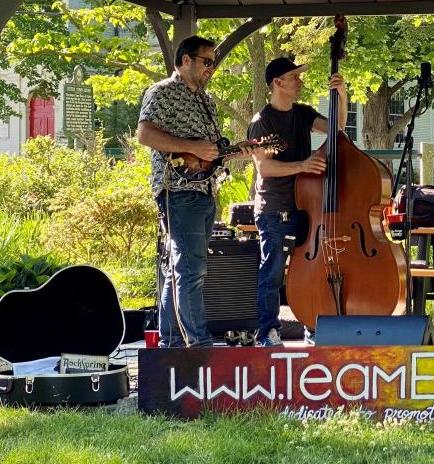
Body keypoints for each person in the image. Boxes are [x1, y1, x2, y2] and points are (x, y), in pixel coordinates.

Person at [137, 36, 254, 348]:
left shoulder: (207, 101)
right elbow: (145, 134)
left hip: (205, 190)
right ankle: (199, 344)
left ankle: (171, 343)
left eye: (214, 62)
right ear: (185, 60)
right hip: (176, 190)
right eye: (207, 61)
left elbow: (211, 153)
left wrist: (241, 150)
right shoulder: (162, 92)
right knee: (192, 270)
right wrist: (191, 147)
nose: (211, 68)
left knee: (181, 270)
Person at [247, 57, 348, 347]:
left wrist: (341, 96)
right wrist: (302, 166)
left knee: (312, 269)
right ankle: (268, 331)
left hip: (307, 206)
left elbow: (337, 127)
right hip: (274, 207)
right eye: (294, 77)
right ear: (277, 83)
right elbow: (265, 168)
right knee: (274, 270)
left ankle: (312, 326)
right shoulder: (261, 121)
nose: (299, 82)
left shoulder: (302, 114)